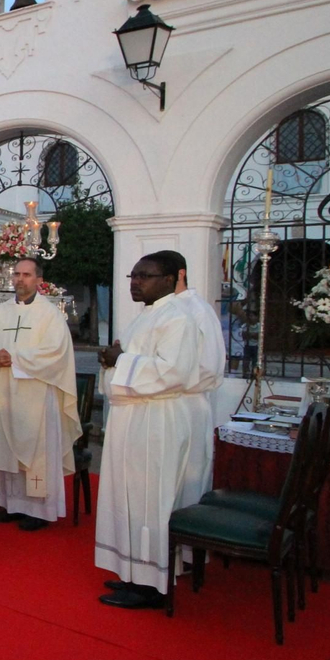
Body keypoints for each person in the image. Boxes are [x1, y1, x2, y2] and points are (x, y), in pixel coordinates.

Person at [94, 251, 211, 609]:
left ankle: (151, 585)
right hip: (133, 416)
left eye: (145, 276)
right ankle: (132, 571)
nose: (135, 282)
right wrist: (114, 359)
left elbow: (173, 372)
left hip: (156, 418)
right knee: (128, 497)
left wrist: (121, 360)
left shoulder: (177, 318)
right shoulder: (146, 316)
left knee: (150, 500)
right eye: (133, 275)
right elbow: (131, 360)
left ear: (170, 280)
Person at [0, 258, 82, 531]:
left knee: (37, 449)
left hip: (37, 392)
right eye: (16, 274)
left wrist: (14, 358)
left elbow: (56, 352)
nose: (20, 279)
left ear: (39, 280)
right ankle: (10, 503)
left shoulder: (49, 314)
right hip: (3, 390)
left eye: (26, 275)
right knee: (3, 446)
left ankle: (38, 509)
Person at [174, 260, 226, 421]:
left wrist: (165, 383)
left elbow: (208, 367)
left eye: (148, 276)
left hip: (186, 404)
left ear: (180, 274)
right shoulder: (159, 309)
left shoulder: (198, 310)